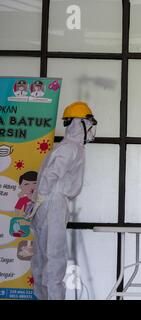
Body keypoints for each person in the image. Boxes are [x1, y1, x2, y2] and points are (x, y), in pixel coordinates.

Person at [29, 101, 97, 300]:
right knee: (54, 258)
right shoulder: (71, 148)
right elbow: (51, 173)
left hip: (47, 202)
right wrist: (42, 196)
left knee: (42, 259)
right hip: (53, 203)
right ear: (79, 123)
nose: (91, 128)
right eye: (88, 123)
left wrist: (39, 200)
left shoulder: (67, 147)